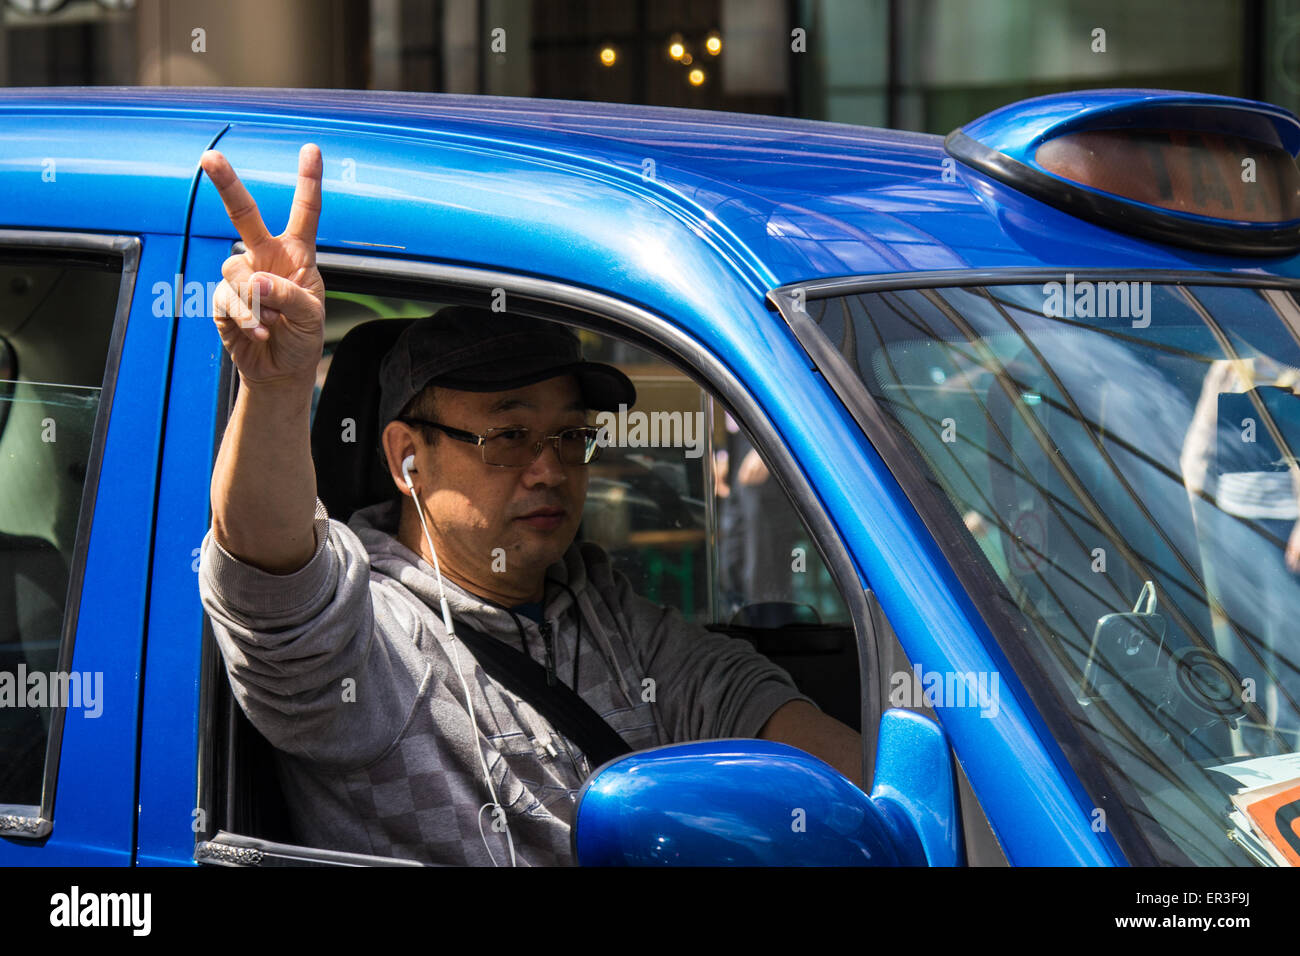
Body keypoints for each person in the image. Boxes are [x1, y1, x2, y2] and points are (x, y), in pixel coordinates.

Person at [196, 144, 863, 866]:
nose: (549, 469)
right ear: (403, 457)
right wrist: (275, 390)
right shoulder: (369, 638)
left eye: (569, 435)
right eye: (508, 435)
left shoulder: (603, 612)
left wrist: (902, 817)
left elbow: (744, 702)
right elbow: (268, 571)